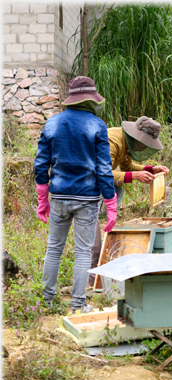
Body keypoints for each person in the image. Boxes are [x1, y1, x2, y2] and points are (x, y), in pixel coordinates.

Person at [34, 76, 117, 314]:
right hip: (87, 199)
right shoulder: (97, 125)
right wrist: (111, 204)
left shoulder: (52, 123)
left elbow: (40, 164)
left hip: (58, 196)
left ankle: (47, 302)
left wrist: (43, 200)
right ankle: (79, 305)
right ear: (91, 100)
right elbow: (103, 168)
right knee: (83, 252)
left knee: (54, 248)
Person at [89, 115, 169, 287]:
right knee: (92, 236)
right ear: (136, 136)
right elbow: (102, 172)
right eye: (144, 142)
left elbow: (126, 167)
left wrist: (150, 169)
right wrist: (134, 176)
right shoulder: (112, 141)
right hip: (84, 188)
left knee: (94, 228)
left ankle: (91, 279)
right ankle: (90, 283)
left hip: (94, 186)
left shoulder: (125, 143)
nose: (143, 147)